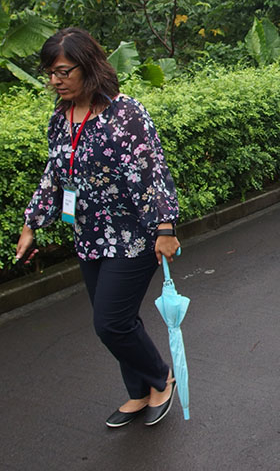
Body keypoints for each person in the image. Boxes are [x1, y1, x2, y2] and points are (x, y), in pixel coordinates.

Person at [15, 28, 181, 428]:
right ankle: (139, 392)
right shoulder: (61, 117)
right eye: (50, 73)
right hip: (88, 235)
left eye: (62, 72)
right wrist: (31, 224)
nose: (55, 81)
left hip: (133, 235)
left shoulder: (125, 113)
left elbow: (151, 169)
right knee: (118, 321)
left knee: (110, 321)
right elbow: (54, 176)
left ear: (88, 67)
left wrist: (165, 226)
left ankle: (162, 378)